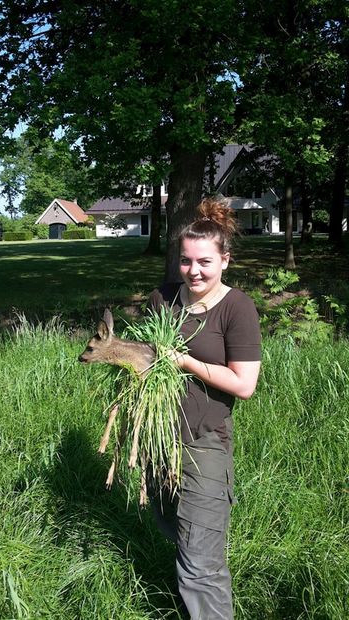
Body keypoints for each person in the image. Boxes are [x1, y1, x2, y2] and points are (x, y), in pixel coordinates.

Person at [148, 196, 262, 620]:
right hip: (158, 440)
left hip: (204, 442)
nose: (193, 271)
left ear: (225, 261)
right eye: (185, 261)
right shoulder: (163, 300)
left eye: (204, 262)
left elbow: (244, 385)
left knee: (201, 565)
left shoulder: (238, 308)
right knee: (174, 531)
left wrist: (187, 362)